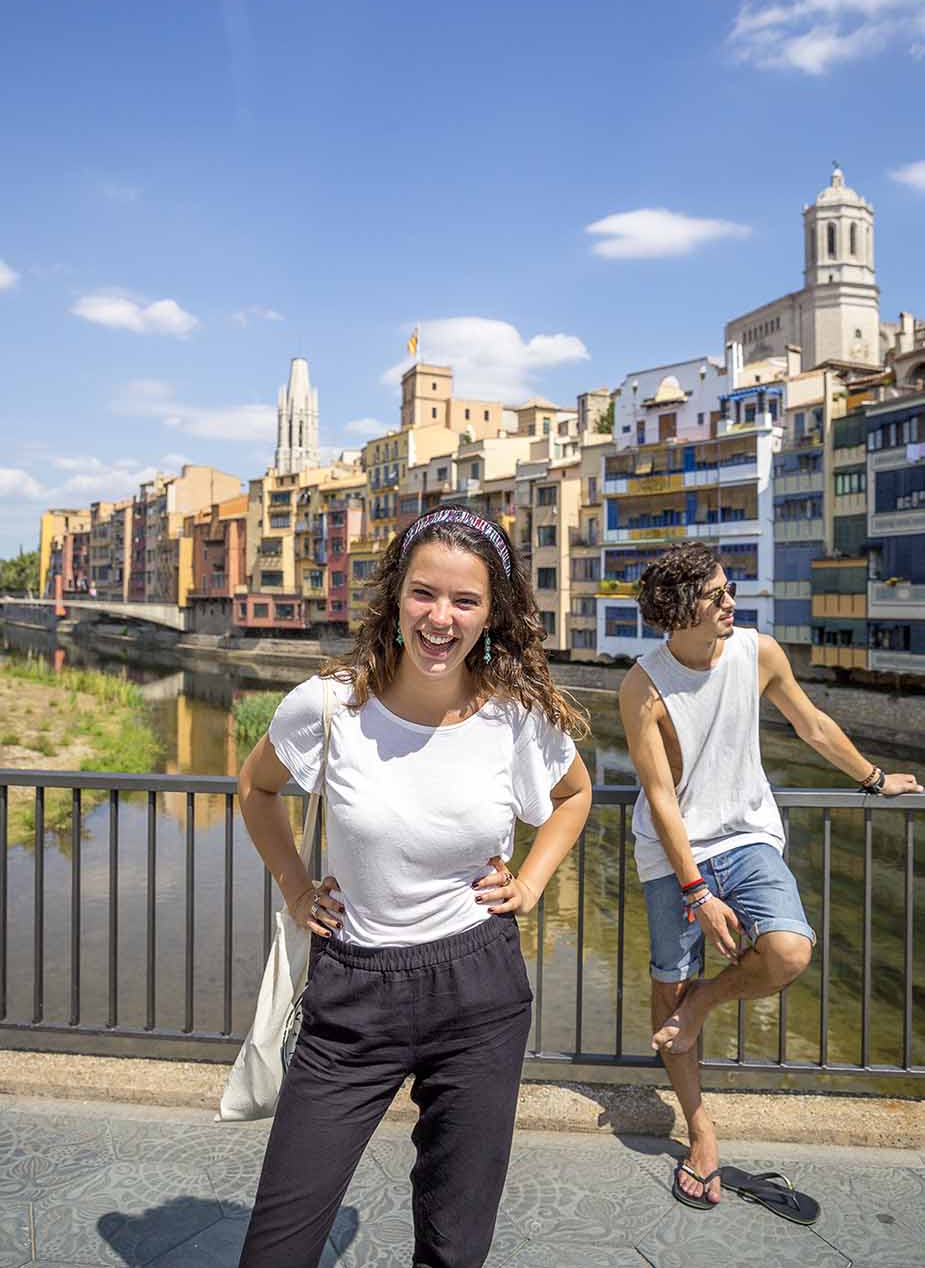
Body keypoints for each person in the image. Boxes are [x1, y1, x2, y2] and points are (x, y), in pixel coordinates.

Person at [237, 506, 592, 1267]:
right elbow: (254, 789)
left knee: (454, 1247)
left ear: (492, 614)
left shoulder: (515, 717)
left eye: (465, 601)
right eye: (424, 594)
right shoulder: (329, 705)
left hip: (479, 991)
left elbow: (572, 797)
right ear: (395, 598)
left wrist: (529, 883)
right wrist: (297, 889)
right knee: (277, 1244)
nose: (441, 617)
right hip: (353, 993)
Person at [619, 542, 922, 1210]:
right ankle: (699, 1130)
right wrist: (696, 892)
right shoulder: (642, 685)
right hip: (671, 854)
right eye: (717, 595)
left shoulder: (758, 653)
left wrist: (873, 778)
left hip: (747, 835)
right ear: (678, 610)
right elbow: (662, 797)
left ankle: (702, 1004)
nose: (732, 602)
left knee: (787, 950)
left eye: (729, 590)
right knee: (667, 984)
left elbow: (810, 725)